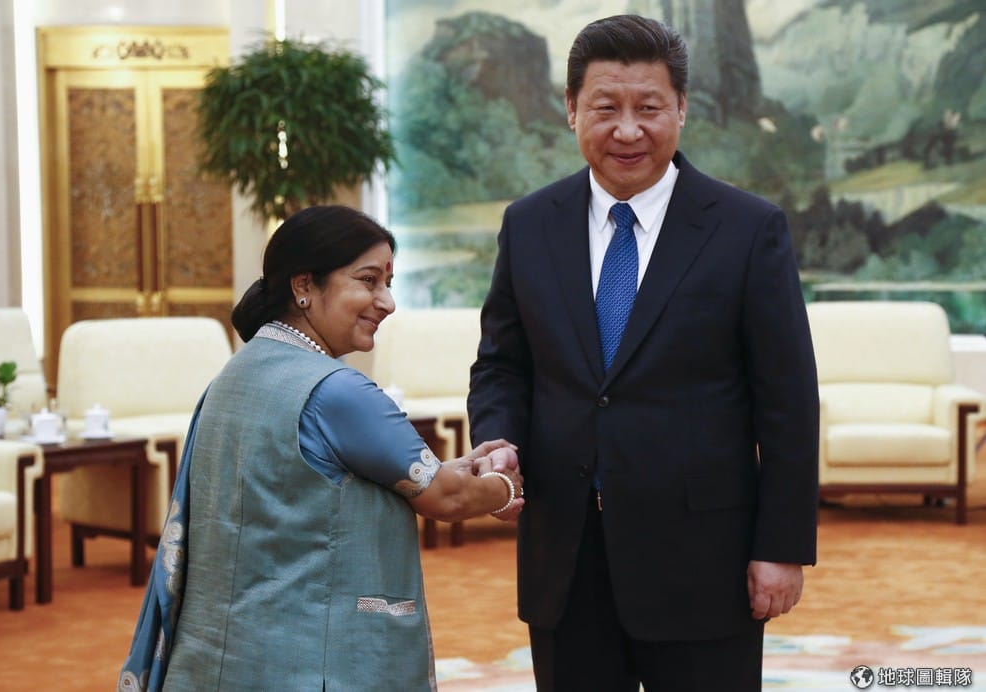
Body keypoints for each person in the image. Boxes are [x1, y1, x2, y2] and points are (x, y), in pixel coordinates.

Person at [467, 15, 819, 692]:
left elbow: (788, 402)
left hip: (704, 562)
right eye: (606, 108)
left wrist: (781, 548)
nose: (627, 131)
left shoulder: (748, 229)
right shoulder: (530, 224)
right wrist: (499, 440)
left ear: (681, 108)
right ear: (571, 110)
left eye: (649, 108)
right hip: (565, 558)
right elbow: (503, 364)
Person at [117, 205, 524, 692]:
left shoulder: (235, 375)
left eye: (388, 282)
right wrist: (503, 485)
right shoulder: (336, 391)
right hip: (314, 661)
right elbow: (447, 497)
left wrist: (461, 467)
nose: (387, 302)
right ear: (304, 285)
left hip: (222, 660)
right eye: (368, 281)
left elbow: (326, 479)